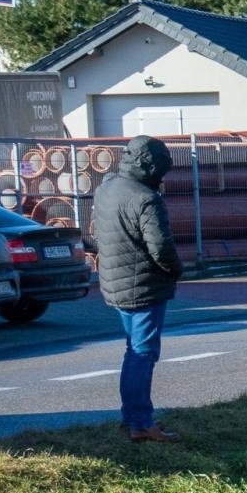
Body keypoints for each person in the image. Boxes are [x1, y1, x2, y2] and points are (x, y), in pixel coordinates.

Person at [93, 135, 184, 443]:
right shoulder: (147, 198)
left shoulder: (106, 189)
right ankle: (141, 422)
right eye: (161, 170)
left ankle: (130, 417)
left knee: (133, 351)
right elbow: (161, 248)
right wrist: (177, 271)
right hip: (145, 286)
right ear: (151, 166)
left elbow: (95, 236)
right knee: (143, 354)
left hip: (115, 284)